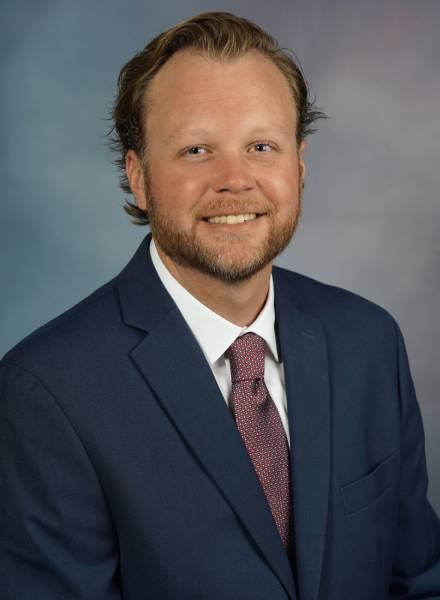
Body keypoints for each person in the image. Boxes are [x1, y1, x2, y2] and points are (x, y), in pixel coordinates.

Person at [1, 11, 439, 600]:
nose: (235, 179)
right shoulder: (47, 392)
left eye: (262, 145)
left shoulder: (369, 341)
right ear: (138, 176)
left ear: (299, 164)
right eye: (196, 149)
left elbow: (418, 580)